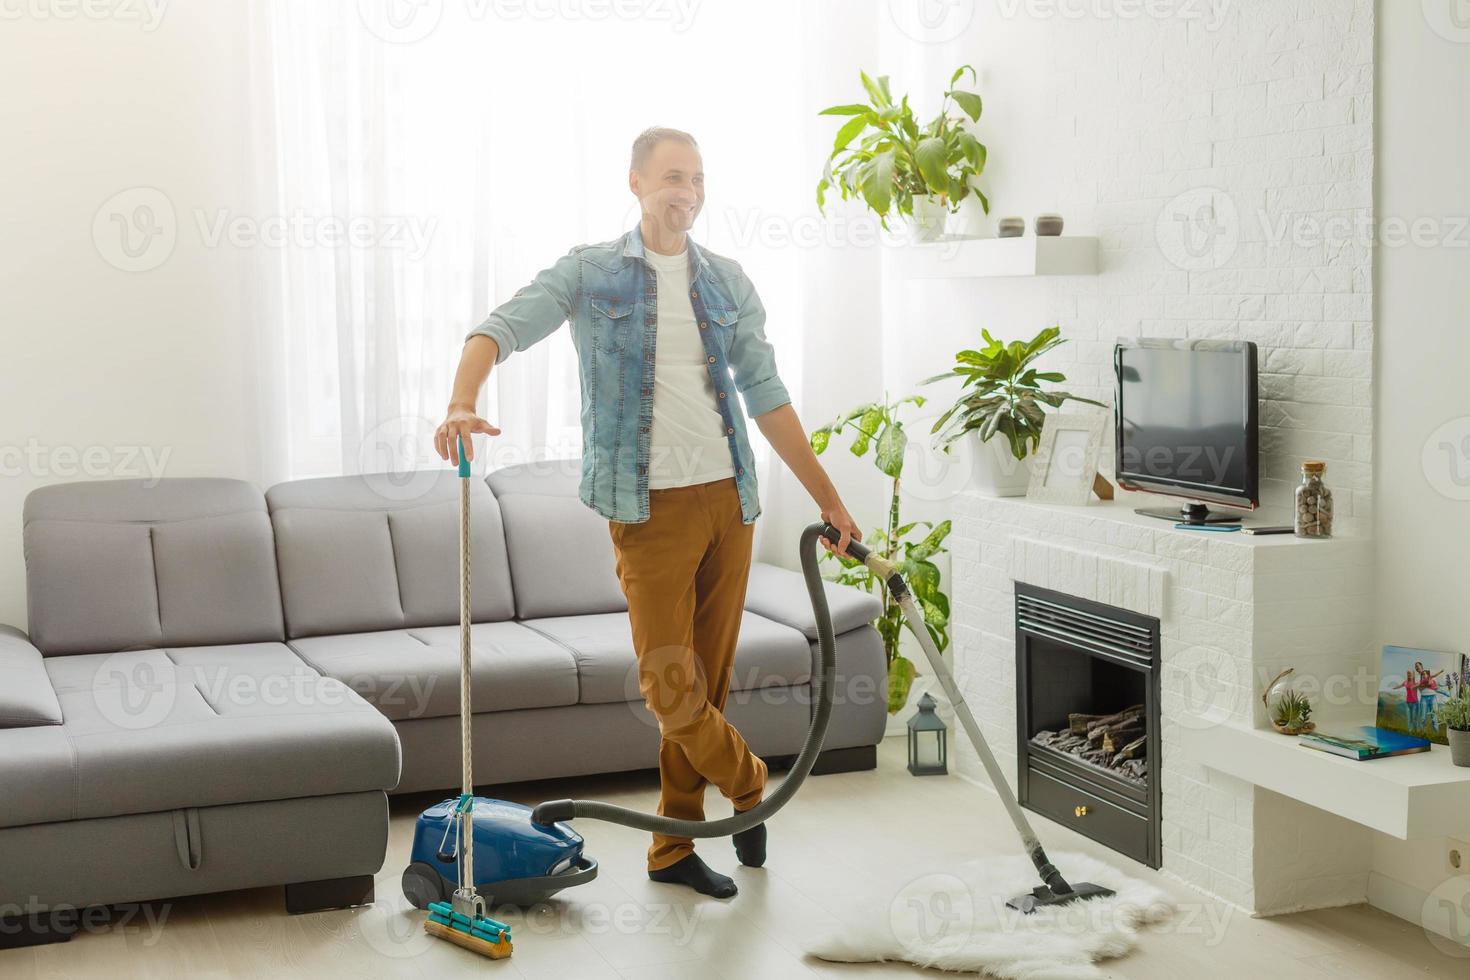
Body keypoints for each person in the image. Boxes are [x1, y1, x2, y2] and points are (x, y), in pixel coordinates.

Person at [434, 127, 862, 900]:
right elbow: (496, 329)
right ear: (635, 182)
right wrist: (463, 401)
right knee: (672, 687)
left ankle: (673, 849)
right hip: (649, 511)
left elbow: (766, 396)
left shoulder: (727, 281)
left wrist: (829, 497)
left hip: (731, 501)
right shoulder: (591, 273)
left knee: (708, 684)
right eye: (672, 176)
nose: (687, 191)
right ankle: (751, 782)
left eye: (697, 179)